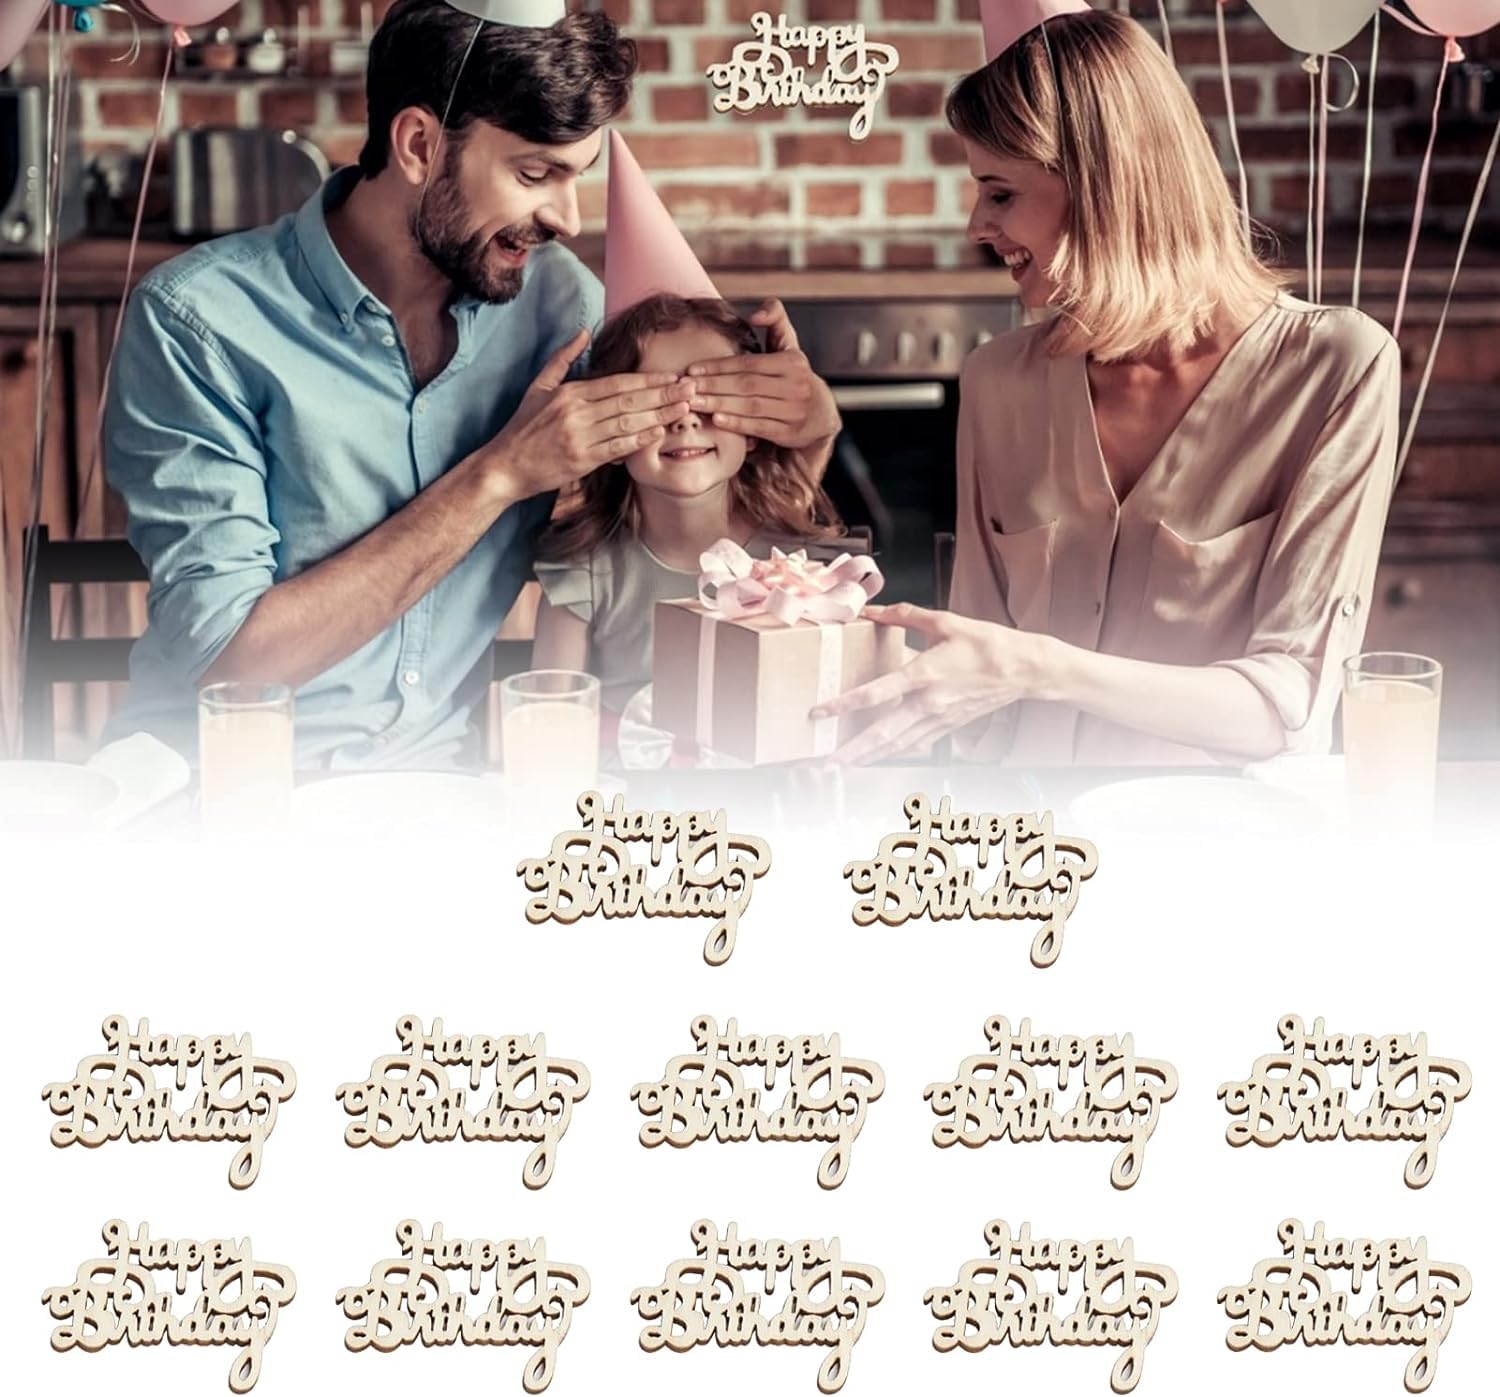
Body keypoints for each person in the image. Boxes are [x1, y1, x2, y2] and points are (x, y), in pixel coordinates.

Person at [103, 0, 838, 768]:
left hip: (445, 793)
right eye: (534, 173)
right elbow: (228, 662)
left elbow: (686, 530)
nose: (568, 218)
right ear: (419, 143)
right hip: (222, 788)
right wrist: (501, 473)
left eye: (578, 175)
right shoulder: (200, 323)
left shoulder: (560, 309)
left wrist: (807, 427)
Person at [817, 4, 1400, 767]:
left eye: (999, 193)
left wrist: (1039, 667)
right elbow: (977, 687)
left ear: (1103, 187)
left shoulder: (1336, 369)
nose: (975, 227)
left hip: (1222, 844)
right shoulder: (999, 384)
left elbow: (1287, 704)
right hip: (1030, 846)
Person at [532, 292, 842, 716]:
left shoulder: (792, 559)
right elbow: (554, 725)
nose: (686, 418)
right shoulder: (583, 574)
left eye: (712, 396)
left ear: (755, 425)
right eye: (657, 399)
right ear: (611, 432)